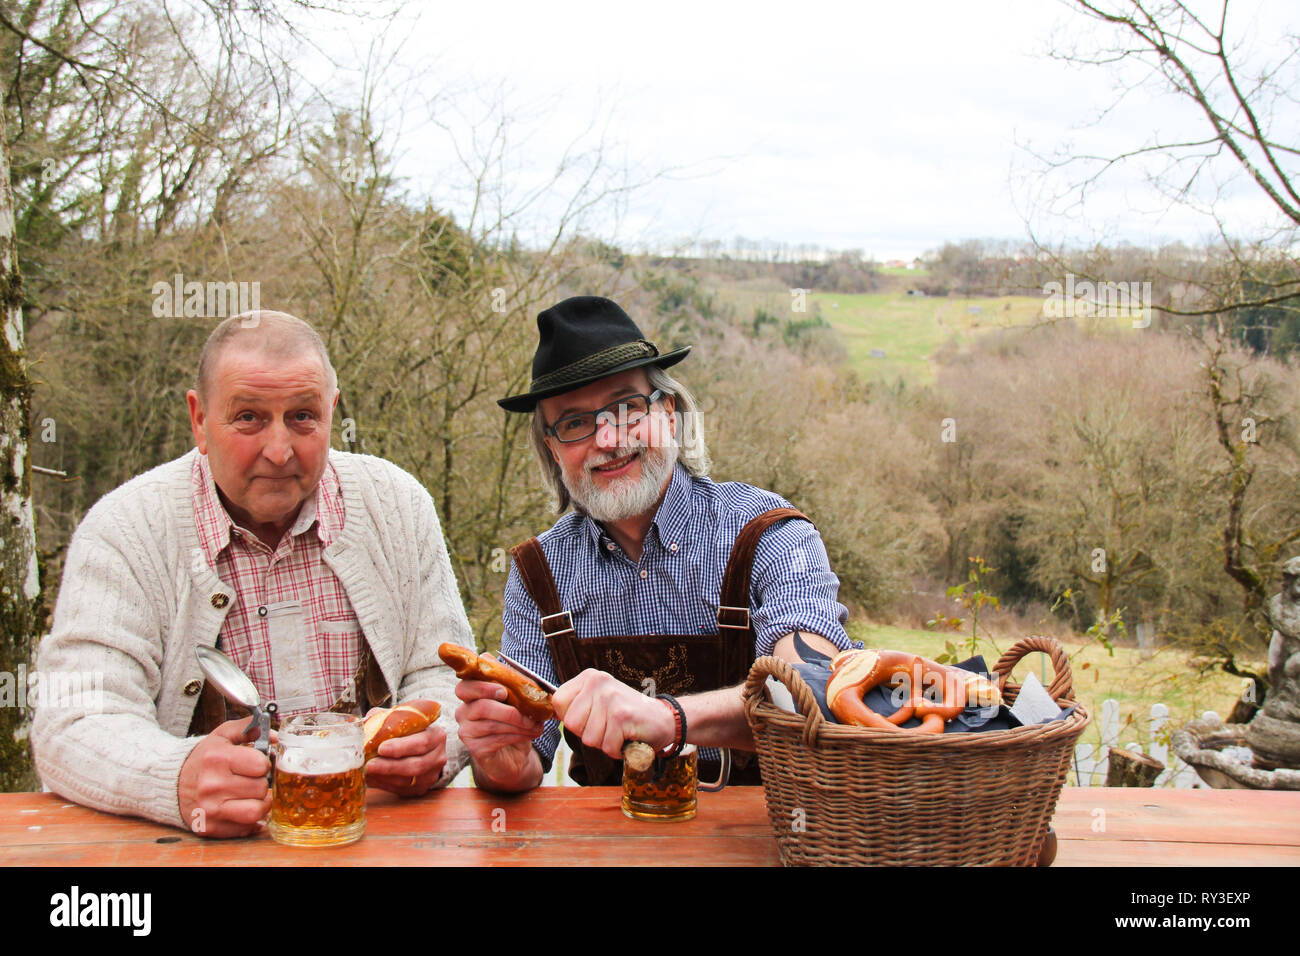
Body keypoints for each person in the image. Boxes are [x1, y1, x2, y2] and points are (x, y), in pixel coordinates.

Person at [31, 311, 474, 837]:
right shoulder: (125, 530)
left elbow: (445, 674)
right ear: (199, 419)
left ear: (332, 412)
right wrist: (175, 778)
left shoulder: (399, 505)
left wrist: (438, 743)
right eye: (249, 417)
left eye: (303, 417)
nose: (280, 450)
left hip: (371, 840)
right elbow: (75, 722)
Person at [456, 295, 854, 791]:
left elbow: (812, 691)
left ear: (669, 413)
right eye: (575, 422)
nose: (607, 438)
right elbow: (523, 767)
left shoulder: (770, 535)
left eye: (626, 406)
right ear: (553, 449)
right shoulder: (538, 572)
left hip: (767, 840)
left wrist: (667, 719)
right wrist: (498, 757)